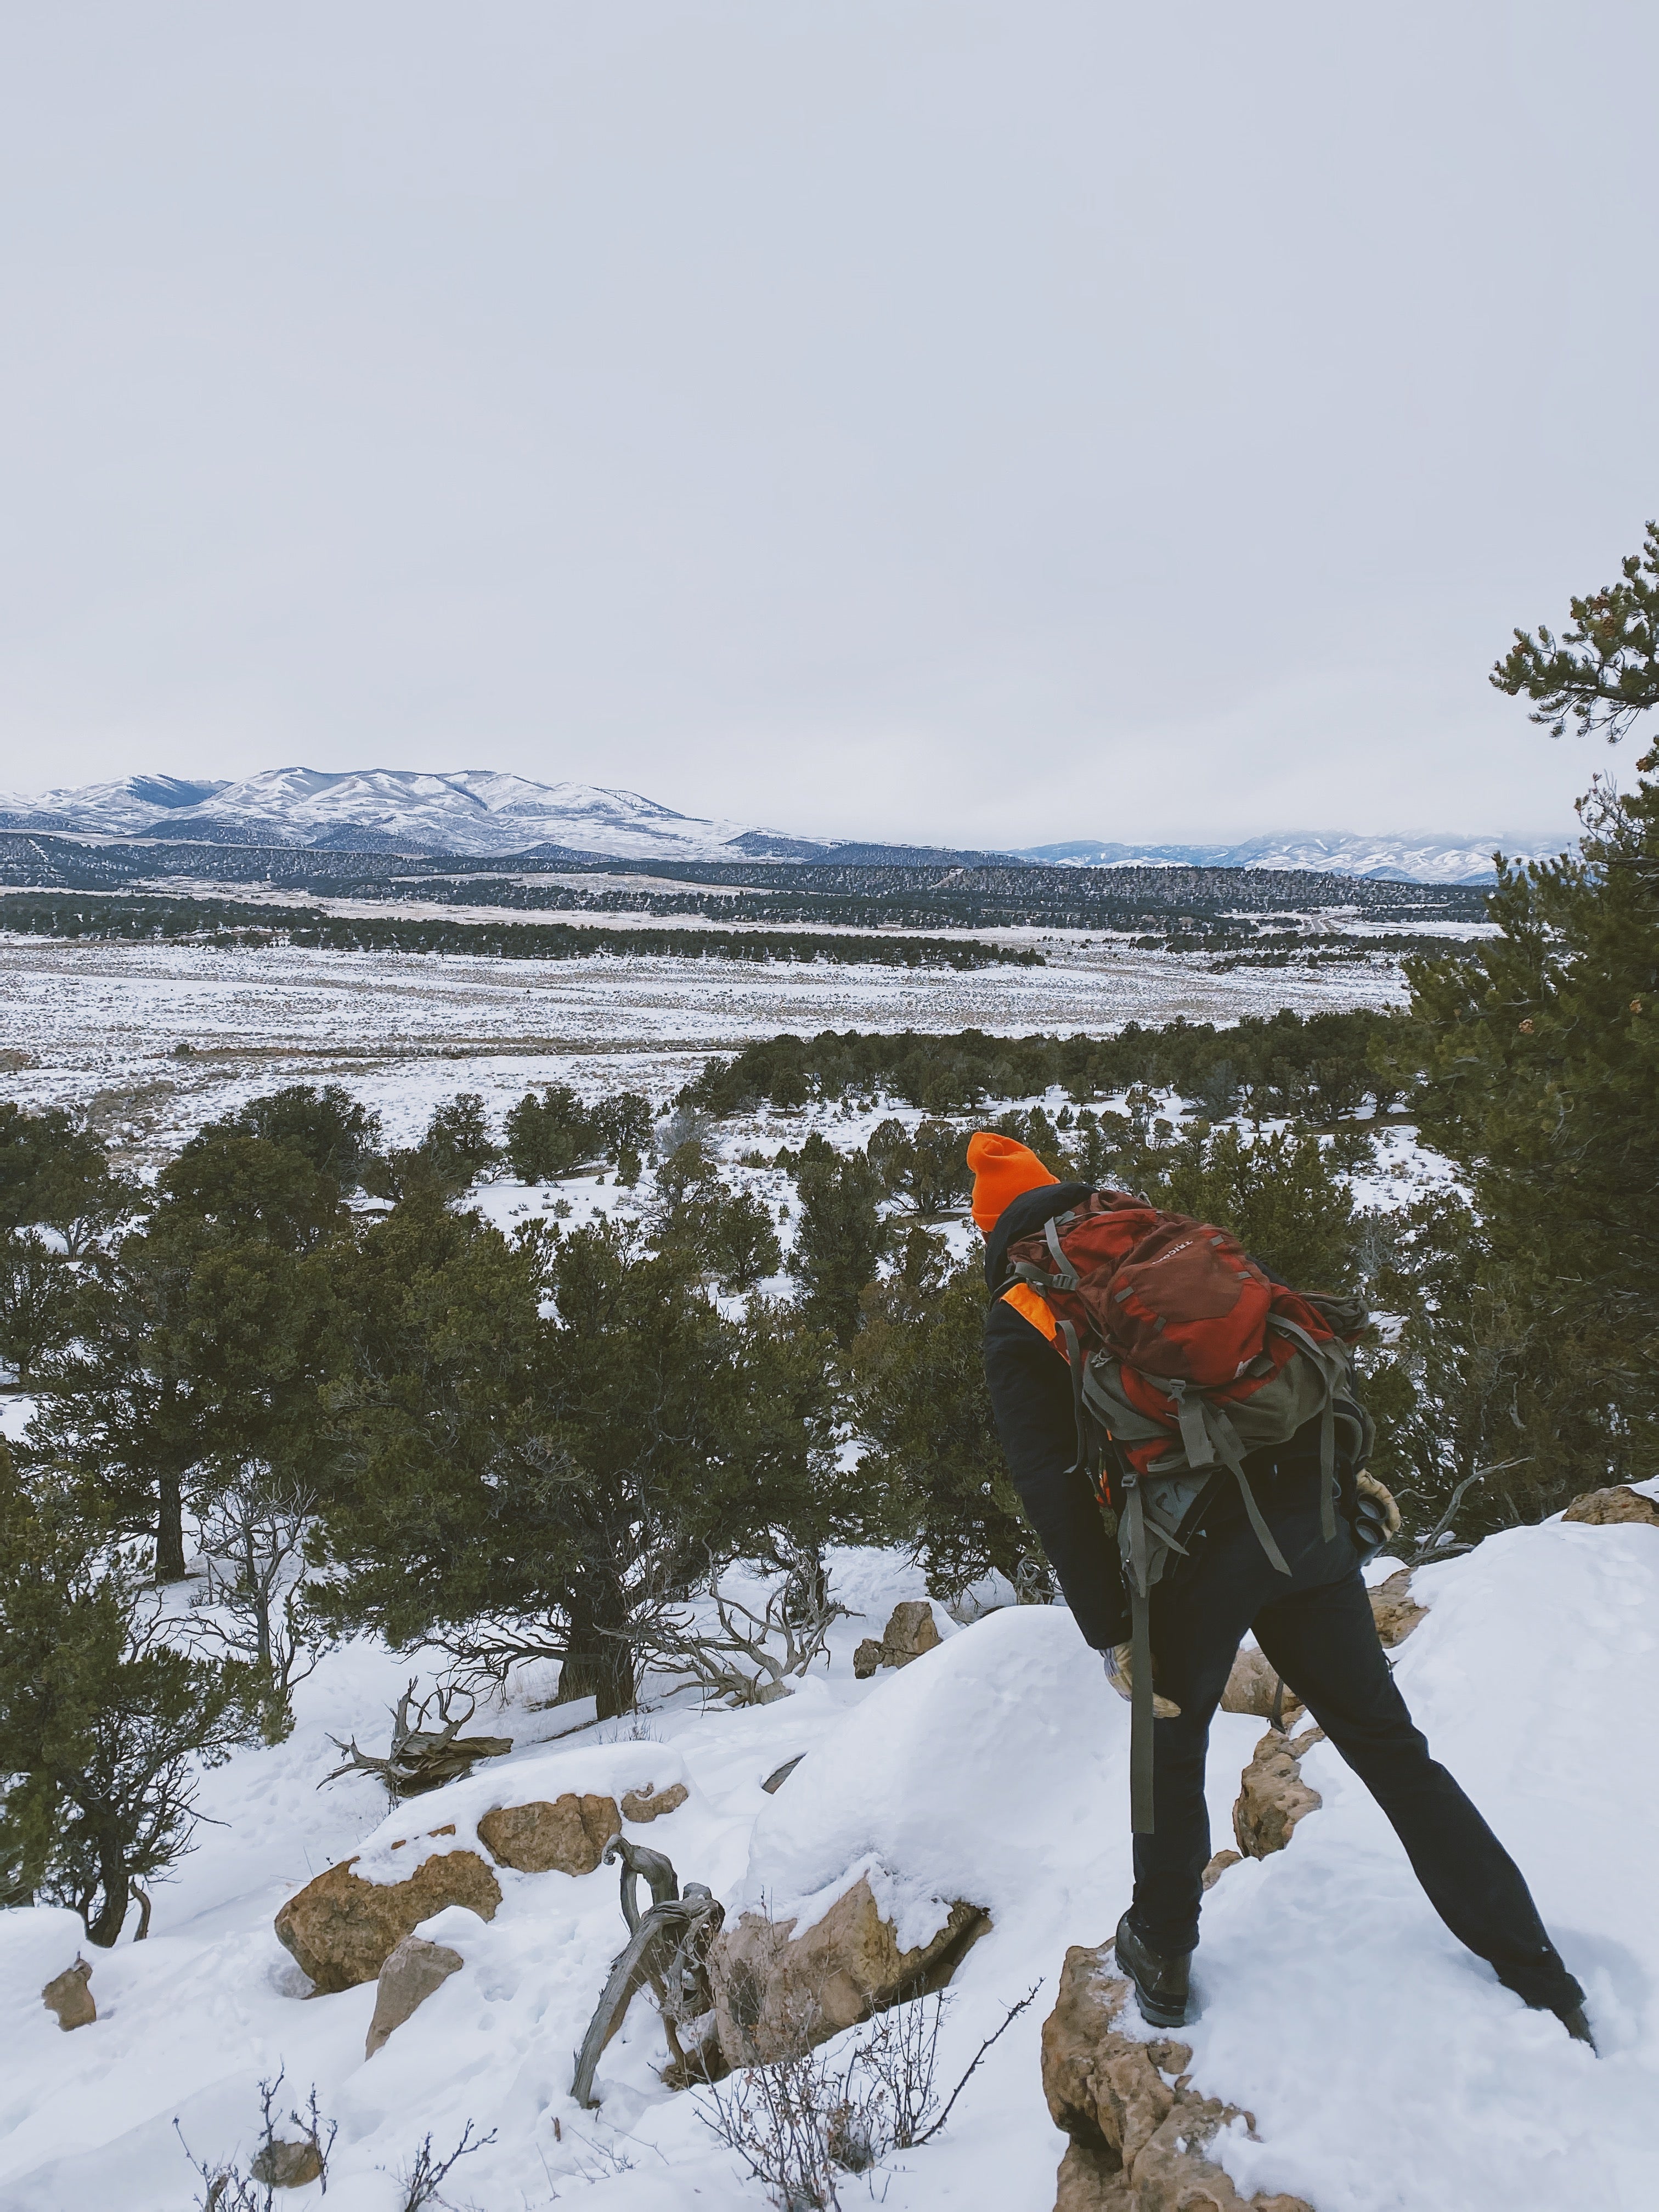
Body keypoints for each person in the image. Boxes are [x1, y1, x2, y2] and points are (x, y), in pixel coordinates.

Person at [969, 1130, 1592, 2044]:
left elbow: (1050, 1485)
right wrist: (1337, 1490)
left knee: (1167, 1756)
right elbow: (1292, 1351)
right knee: (1390, 1747)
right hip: (1306, 1523)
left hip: (1193, 1552)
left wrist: (1112, 1629)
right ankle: (1538, 1972)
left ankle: (1163, 1959)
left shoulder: (1025, 1310)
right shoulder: (1163, 1238)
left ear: (1001, 1237)